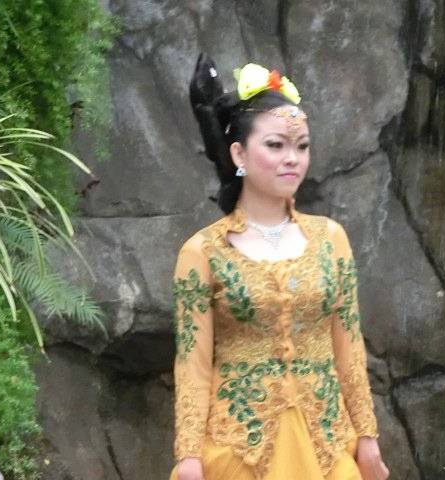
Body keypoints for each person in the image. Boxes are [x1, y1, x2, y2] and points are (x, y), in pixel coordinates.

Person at [170, 52, 389, 480]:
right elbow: (192, 364)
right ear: (239, 154)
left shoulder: (331, 240)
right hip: (240, 452)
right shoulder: (202, 252)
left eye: (301, 146)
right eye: (276, 145)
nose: (293, 158)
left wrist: (367, 437)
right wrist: (189, 456)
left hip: (327, 448)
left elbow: (348, 348)